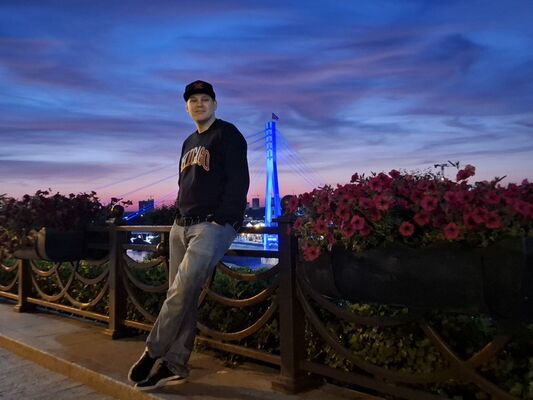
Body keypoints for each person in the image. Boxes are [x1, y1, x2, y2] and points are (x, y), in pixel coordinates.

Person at [128, 80, 249, 391]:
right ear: (186, 107)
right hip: (181, 226)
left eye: (205, 99)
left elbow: (239, 181)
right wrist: (177, 219)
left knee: (180, 291)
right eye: (193, 100)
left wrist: (222, 220)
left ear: (215, 104)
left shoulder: (228, 134)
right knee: (183, 295)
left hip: (211, 225)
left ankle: (152, 352)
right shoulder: (188, 142)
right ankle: (175, 364)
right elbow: (184, 184)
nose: (199, 104)